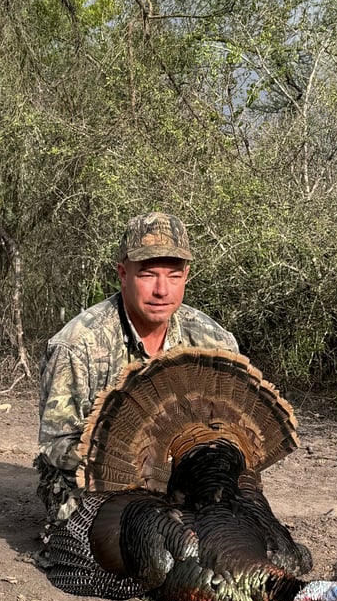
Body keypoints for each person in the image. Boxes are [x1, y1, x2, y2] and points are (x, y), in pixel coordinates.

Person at [34, 211, 239, 525]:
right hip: (103, 481)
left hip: (188, 475)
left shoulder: (214, 341)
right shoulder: (77, 345)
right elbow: (56, 445)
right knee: (100, 537)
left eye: (173, 275)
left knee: (237, 529)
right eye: (148, 274)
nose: (161, 289)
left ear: (187, 275)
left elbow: (232, 431)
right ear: (123, 274)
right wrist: (137, 466)